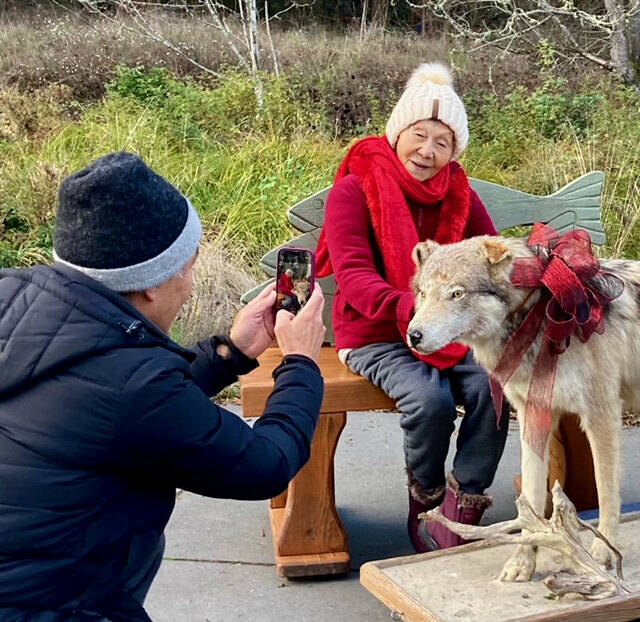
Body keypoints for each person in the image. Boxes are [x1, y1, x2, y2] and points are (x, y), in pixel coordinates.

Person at [0, 152, 326, 621]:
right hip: (58, 606)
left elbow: (106, 399)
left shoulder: (20, 306)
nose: (190, 285)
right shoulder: (133, 386)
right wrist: (300, 362)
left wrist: (229, 353)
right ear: (151, 283)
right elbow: (265, 465)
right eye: (188, 268)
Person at [315, 62, 510, 553]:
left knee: (497, 383)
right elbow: (356, 280)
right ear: (399, 131)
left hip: (449, 327)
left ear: (454, 151)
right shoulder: (354, 189)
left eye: (442, 142)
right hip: (374, 332)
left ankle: (465, 501)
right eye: (419, 135)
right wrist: (424, 309)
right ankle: (425, 500)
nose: (428, 150)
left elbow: (493, 254)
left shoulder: (459, 192)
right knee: (430, 401)